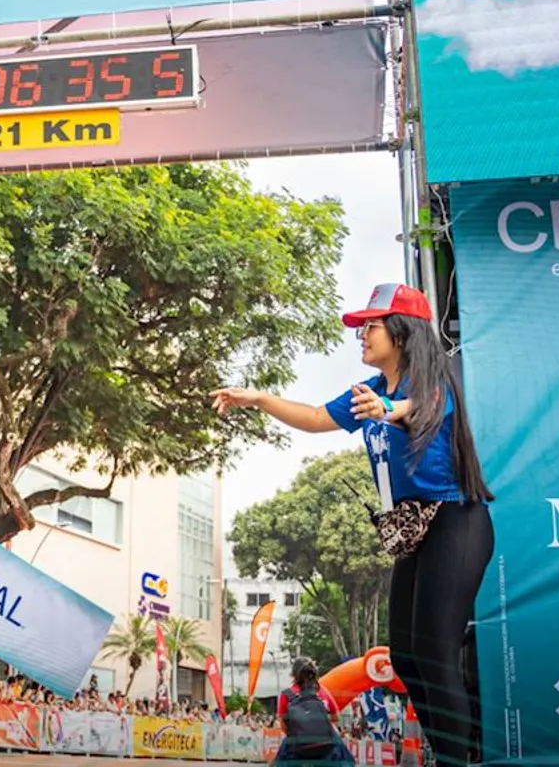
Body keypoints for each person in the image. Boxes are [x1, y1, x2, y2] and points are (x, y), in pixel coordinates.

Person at [212, 283, 493, 767]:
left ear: (402, 332)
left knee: (435, 652)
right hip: (416, 533)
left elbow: (418, 408)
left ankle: (456, 764)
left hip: (456, 522)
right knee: (406, 658)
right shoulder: (370, 391)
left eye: (371, 326)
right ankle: (446, 756)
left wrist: (388, 410)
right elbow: (315, 416)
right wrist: (257, 398)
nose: (362, 334)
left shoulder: (433, 382)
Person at [273, 658, 353, 764]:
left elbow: (284, 727)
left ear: (293, 675)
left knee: (279, 761)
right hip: (326, 747)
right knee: (347, 759)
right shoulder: (322, 691)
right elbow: (336, 717)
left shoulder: (286, 694)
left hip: (297, 749)